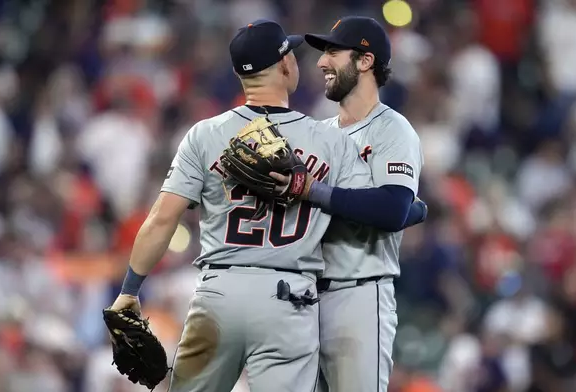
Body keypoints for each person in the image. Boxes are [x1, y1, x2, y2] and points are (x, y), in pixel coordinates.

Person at [106, 19, 374, 392]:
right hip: (290, 298)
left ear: (238, 73)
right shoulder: (331, 141)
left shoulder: (204, 135)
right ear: (284, 65)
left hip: (219, 293)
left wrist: (129, 291)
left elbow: (161, 219)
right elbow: (370, 213)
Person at [273, 16, 425, 392]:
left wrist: (315, 193)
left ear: (365, 61)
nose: (322, 62)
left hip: (357, 294)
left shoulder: (392, 129)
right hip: (302, 299)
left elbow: (390, 211)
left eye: (333, 52)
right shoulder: (316, 133)